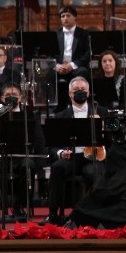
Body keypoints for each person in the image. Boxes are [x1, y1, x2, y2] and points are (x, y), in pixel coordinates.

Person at [41, 77, 102, 225]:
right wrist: (61, 152)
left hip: (91, 157)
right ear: (70, 94)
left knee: (94, 172)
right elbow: (52, 145)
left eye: (83, 90)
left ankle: (94, 213)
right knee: (57, 167)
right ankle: (53, 213)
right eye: (76, 90)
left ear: (88, 93)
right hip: (70, 158)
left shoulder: (100, 112)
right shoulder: (60, 116)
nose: (80, 92)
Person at [0, 83, 46, 221]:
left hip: (24, 157)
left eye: (14, 95)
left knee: (28, 165)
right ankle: (0, 207)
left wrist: (40, 164)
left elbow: (39, 140)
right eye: (8, 95)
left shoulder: (30, 115)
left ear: (20, 97)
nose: (11, 97)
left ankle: (19, 205)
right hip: (3, 157)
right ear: (2, 98)